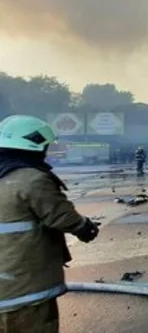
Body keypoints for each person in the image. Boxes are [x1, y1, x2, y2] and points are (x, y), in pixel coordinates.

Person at [0, 115, 99, 333]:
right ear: (34, 145)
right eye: (45, 146)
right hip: (21, 290)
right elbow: (61, 216)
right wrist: (86, 228)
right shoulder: (31, 179)